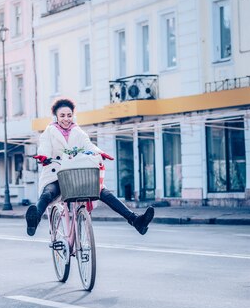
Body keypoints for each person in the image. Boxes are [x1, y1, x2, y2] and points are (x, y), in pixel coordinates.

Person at [26, 98, 154, 237]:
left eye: (69, 115)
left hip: (77, 176)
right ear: (56, 117)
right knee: (48, 192)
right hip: (57, 174)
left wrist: (99, 152)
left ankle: (136, 221)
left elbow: (89, 145)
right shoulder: (49, 132)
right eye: (62, 115)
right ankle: (34, 220)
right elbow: (44, 146)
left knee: (104, 192)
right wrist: (43, 156)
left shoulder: (78, 131)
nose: (66, 119)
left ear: (73, 116)